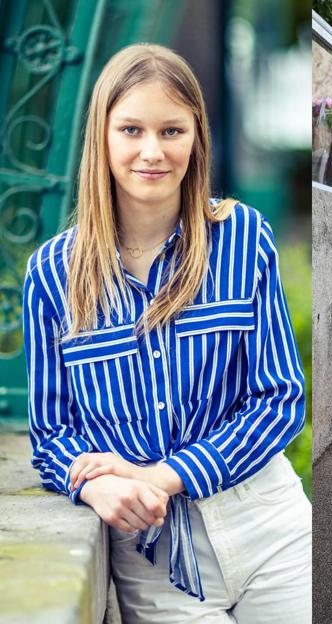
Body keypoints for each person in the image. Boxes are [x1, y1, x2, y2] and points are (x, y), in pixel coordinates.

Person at [23, 44, 311, 624]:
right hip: (151, 556)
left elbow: (280, 401)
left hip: (268, 527)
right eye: (131, 129)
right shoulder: (52, 274)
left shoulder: (242, 238)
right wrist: (93, 487)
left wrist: (163, 475)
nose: (152, 151)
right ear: (102, 138)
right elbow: (51, 432)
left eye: (171, 130)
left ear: (196, 138)